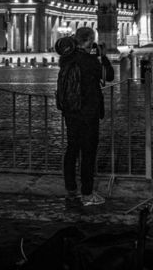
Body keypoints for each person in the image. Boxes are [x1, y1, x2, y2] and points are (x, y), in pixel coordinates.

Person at [59, 27, 114, 206]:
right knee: (88, 153)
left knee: (72, 149)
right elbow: (109, 76)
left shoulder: (66, 58)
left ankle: (71, 190)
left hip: (70, 111)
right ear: (90, 40)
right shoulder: (90, 61)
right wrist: (103, 56)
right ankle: (87, 193)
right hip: (88, 111)